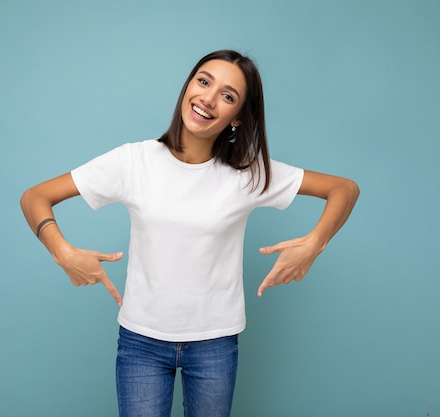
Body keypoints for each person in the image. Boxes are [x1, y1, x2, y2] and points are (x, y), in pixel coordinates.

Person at [20, 49, 359, 417]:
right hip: (141, 342)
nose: (209, 99)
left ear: (238, 118)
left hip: (215, 343)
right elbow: (35, 196)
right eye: (203, 81)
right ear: (187, 87)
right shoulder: (133, 161)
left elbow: (345, 189)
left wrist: (314, 244)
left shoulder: (249, 174)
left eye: (228, 96)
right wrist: (62, 251)